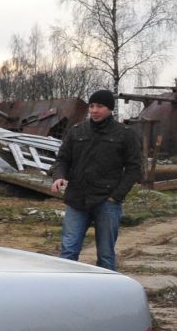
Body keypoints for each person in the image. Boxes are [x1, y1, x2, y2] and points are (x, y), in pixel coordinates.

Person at [49, 89, 143, 270]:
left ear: (110, 109)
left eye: (100, 106)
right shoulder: (77, 131)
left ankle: (107, 294)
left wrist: (116, 196)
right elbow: (62, 160)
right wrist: (59, 177)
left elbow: (133, 169)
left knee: (106, 254)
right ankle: (63, 292)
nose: (94, 110)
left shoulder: (124, 134)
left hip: (106, 201)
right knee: (68, 252)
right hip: (77, 199)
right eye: (91, 106)